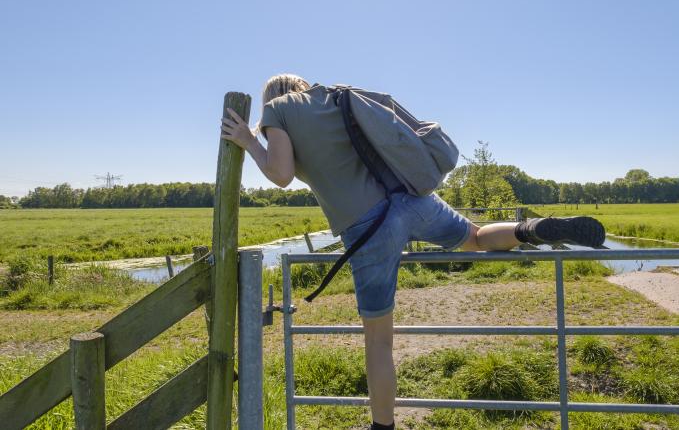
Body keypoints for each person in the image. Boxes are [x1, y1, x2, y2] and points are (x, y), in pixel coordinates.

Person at [220, 74, 605, 430]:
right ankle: (533, 228)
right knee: (474, 235)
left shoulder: (279, 109)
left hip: (368, 227)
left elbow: (281, 174)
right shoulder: (333, 97)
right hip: (411, 199)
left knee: (379, 340)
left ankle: (382, 426)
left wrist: (251, 142)